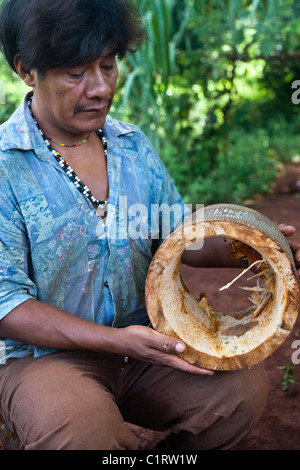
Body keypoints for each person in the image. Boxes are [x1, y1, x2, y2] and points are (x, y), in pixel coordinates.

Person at [0, 0, 299, 451]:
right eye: (76, 73)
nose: (100, 87)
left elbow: (177, 236)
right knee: (81, 431)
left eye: (107, 65)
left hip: (145, 349)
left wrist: (260, 247)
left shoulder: (131, 146)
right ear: (27, 70)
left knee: (240, 393)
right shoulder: (6, 166)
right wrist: (118, 340)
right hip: (47, 360)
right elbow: (7, 304)